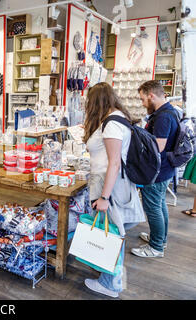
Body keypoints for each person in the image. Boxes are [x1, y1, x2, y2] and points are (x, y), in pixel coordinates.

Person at [82, 82, 145, 298]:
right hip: (113, 182)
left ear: (96, 101)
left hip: (108, 184)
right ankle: (108, 273)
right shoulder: (118, 118)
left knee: (112, 232)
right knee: (110, 230)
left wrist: (104, 197)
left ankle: (110, 284)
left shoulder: (111, 124)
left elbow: (114, 163)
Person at [131, 81, 179, 258]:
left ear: (151, 96)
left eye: (143, 99)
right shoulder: (169, 112)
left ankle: (156, 246)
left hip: (158, 171)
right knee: (159, 205)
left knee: (152, 207)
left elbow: (157, 147)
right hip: (165, 169)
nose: (143, 103)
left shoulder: (163, 117)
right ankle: (160, 239)